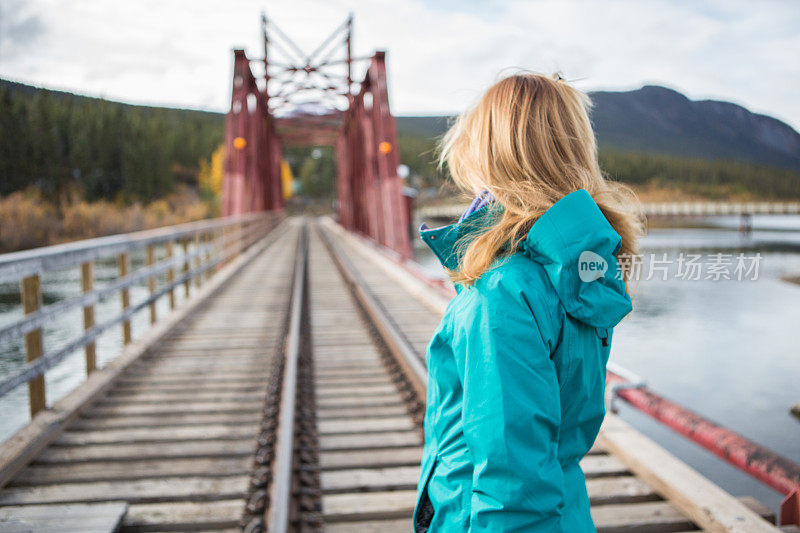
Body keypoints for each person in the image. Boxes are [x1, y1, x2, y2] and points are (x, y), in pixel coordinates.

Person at [413, 72, 644, 532]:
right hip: (565, 514)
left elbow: (511, 487)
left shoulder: (503, 293)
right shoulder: (580, 271)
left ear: (490, 157)